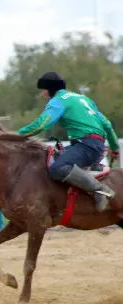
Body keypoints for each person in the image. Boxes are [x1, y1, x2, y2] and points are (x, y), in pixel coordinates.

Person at [18, 71, 120, 212]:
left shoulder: (58, 101)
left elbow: (42, 125)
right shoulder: (84, 99)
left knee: (57, 168)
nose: (42, 95)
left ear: (50, 89)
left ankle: (100, 190)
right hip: (95, 146)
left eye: (43, 91)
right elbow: (107, 124)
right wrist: (115, 148)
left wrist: (17, 135)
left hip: (86, 145)